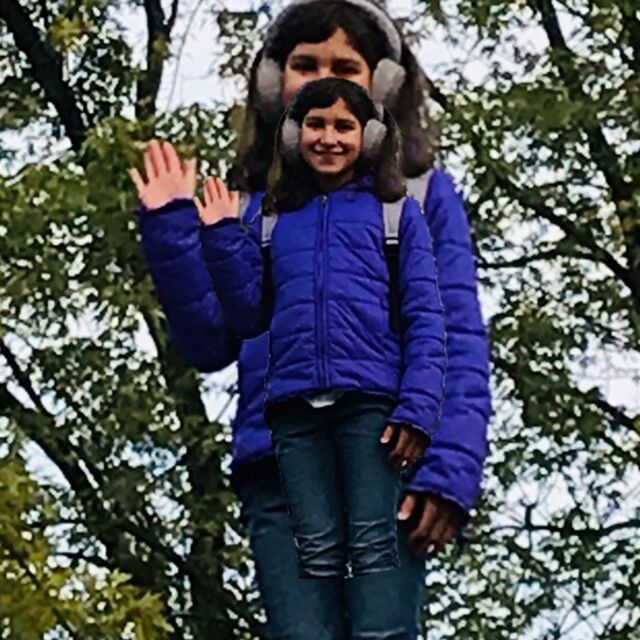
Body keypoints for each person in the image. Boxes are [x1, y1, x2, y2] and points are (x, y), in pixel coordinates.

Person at [131, 1, 492, 637]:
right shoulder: (247, 206)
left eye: (345, 67)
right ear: (276, 84)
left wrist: (449, 469)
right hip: (279, 463)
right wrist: (172, 229)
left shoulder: (417, 196)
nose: (323, 80)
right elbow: (212, 339)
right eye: (305, 64)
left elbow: (456, 333)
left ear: (382, 85)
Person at [193, 77, 446, 584]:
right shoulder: (272, 220)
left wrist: (417, 410)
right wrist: (221, 235)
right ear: (294, 135)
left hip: (369, 404)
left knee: (372, 544)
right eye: (316, 125)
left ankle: (377, 623)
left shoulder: (395, 215)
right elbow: (248, 317)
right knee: (316, 551)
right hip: (294, 407)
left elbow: (426, 320)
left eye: (343, 126)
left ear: (369, 137)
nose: (328, 138)